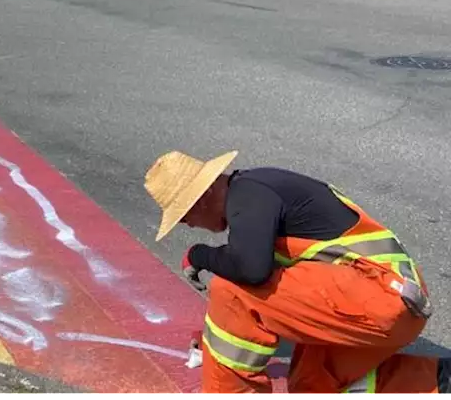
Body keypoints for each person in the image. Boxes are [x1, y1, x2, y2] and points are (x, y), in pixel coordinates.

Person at [145, 150, 448, 395]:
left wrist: (198, 255)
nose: (186, 225)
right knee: (311, 387)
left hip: (379, 294)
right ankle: (439, 381)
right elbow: (278, 297)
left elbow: (251, 272)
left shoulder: (249, 195)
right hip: (391, 302)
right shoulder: (257, 192)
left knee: (231, 291)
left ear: (206, 193)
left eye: (184, 215)